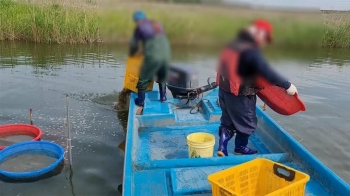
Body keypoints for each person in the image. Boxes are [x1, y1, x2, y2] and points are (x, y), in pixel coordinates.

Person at [216, 19, 298, 156]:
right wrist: (287, 85)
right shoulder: (251, 49)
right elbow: (266, 72)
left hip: (224, 90)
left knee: (227, 121)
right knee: (248, 122)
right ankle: (240, 148)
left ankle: (222, 147)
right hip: (240, 94)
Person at [130, 10, 171, 113]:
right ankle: (163, 98)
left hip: (153, 56)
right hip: (165, 54)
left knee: (143, 78)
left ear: (138, 21)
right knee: (162, 75)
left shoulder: (140, 27)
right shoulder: (156, 24)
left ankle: (140, 102)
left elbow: (134, 45)